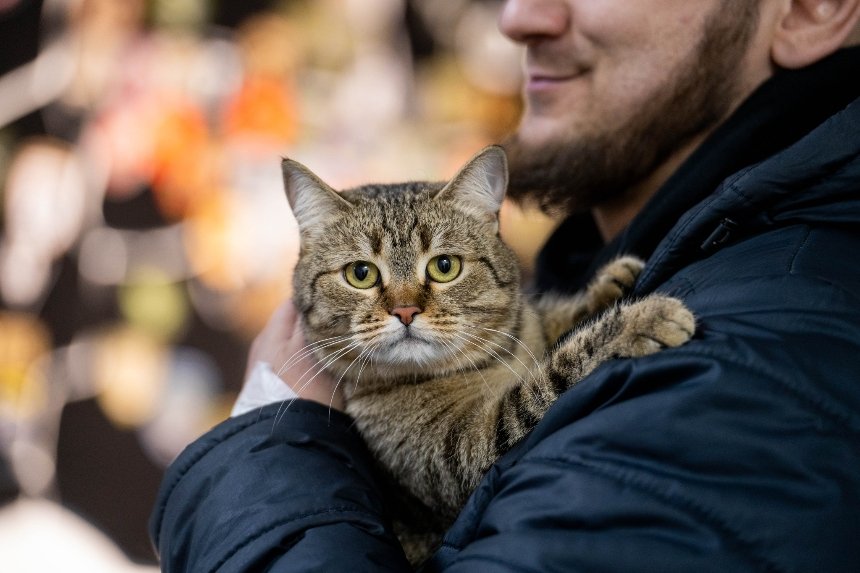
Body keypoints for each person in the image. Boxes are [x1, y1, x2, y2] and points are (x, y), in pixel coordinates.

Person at [150, 0, 860, 570]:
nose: (517, 16)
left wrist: (270, 444)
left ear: (812, 8)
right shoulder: (682, 264)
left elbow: (484, 448)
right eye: (363, 275)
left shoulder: (767, 370)